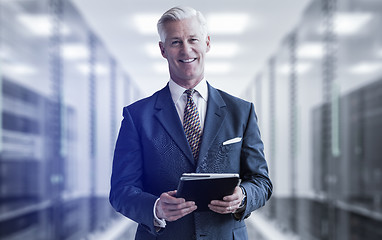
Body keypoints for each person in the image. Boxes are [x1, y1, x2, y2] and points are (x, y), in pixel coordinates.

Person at [109, 6, 272, 240]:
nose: (186, 50)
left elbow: (261, 181)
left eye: (192, 39)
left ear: (207, 43)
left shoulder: (241, 112)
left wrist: (243, 196)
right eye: (175, 42)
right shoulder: (137, 116)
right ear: (163, 49)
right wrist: (156, 207)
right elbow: (121, 191)